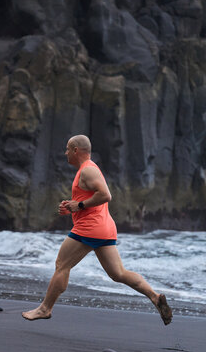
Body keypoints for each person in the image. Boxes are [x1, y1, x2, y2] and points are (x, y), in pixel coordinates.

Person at [22, 135, 173, 325]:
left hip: (90, 228)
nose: (65, 153)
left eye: (68, 149)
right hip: (103, 227)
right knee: (118, 273)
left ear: (76, 150)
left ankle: (45, 309)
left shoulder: (87, 171)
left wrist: (80, 205)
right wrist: (71, 207)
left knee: (62, 265)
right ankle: (155, 297)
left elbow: (105, 195)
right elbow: (88, 200)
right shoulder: (87, 170)